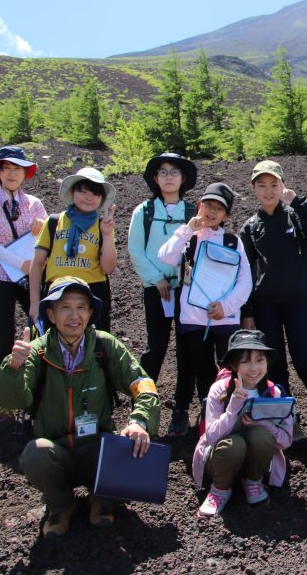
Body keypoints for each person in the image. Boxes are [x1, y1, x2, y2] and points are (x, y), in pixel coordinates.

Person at [0, 277, 160, 537]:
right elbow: (10, 402)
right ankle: (60, 505)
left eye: (81, 307)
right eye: (65, 307)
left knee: (130, 441)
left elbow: (143, 384)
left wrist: (140, 421)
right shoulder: (36, 352)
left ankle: (102, 498)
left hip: (98, 448)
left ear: (90, 312)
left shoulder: (104, 345)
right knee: (35, 454)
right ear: (51, 314)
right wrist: (13, 369)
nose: (74, 316)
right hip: (56, 452)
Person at [239, 160, 307, 440]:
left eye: (274, 185)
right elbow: (244, 273)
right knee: (275, 363)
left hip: (298, 302)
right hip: (265, 305)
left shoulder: (296, 216)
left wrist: (299, 202)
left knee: (304, 359)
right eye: (262, 185)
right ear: (253, 189)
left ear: (283, 186)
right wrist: (247, 311)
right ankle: (288, 419)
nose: (268, 191)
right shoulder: (250, 227)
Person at [158, 182, 251, 436]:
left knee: (229, 367)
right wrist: (187, 230)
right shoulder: (189, 236)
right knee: (201, 367)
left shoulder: (233, 242)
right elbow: (165, 256)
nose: (211, 211)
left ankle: (228, 413)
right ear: (199, 206)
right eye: (208, 205)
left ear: (226, 216)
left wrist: (226, 306)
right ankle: (207, 411)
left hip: (225, 319)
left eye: (219, 208)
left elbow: (245, 281)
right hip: (192, 318)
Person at [0, 146, 48, 430]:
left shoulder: (34, 203)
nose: (13, 174)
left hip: (29, 277)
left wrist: (41, 228)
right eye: (7, 169)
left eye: (18, 169)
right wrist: (21, 263)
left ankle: (38, 392)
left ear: (25, 174)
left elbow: (47, 237)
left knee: (40, 329)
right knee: (2, 337)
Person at [127, 153, 198, 434]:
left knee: (186, 350)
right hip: (156, 290)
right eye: (163, 172)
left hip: (187, 291)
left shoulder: (193, 212)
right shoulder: (143, 211)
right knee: (155, 348)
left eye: (174, 171)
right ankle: (143, 403)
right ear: (155, 179)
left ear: (183, 178)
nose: (169, 177)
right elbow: (136, 250)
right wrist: (156, 279)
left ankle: (181, 409)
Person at [192, 329, 293, 517]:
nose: (254, 368)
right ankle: (219, 490)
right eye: (245, 361)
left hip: (258, 463)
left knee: (261, 435)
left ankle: (253, 481)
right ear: (234, 365)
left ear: (267, 362)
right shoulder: (219, 390)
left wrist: (263, 423)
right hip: (220, 461)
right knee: (234, 444)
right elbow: (211, 436)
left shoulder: (273, 393)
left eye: (260, 360)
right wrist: (233, 408)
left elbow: (286, 441)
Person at [28, 167, 118, 333]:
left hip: (93, 294)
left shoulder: (103, 226)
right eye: (83, 191)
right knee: (54, 345)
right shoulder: (53, 222)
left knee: (92, 346)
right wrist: (34, 304)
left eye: (95, 194)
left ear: (102, 199)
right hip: (56, 293)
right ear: (72, 192)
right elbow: (37, 263)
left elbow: (109, 268)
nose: (88, 197)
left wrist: (106, 234)